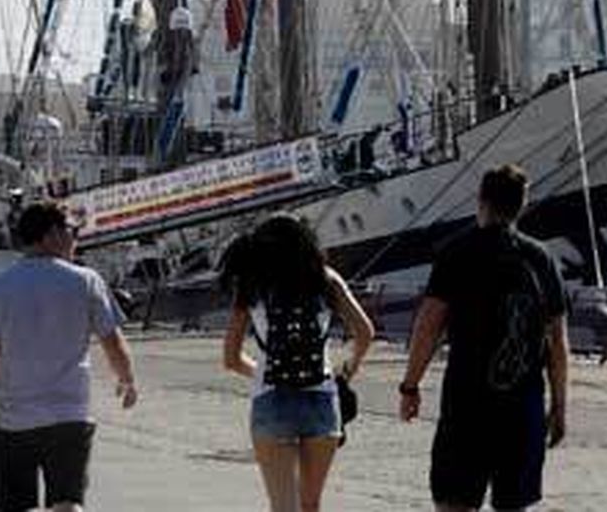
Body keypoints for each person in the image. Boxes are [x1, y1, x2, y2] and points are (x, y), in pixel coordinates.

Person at [399, 164, 571, 512]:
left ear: (481, 200)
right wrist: (559, 407)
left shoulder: (456, 252)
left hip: (467, 405)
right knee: (513, 504)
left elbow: (428, 326)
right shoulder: (541, 258)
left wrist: (410, 386)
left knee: (454, 502)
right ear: (522, 204)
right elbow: (558, 345)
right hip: (522, 406)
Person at [0, 201, 138, 512]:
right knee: (68, 504)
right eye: (71, 230)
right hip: (69, 414)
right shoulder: (86, 280)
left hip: (13, 418)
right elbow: (112, 341)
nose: (76, 237)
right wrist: (127, 379)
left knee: (15, 506)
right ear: (51, 234)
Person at [220, 214, 375, 512]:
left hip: (271, 399)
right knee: (310, 504)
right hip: (321, 400)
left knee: (283, 508)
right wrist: (347, 370)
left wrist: (261, 373)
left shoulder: (253, 285)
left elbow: (230, 359)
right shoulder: (326, 278)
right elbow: (365, 332)